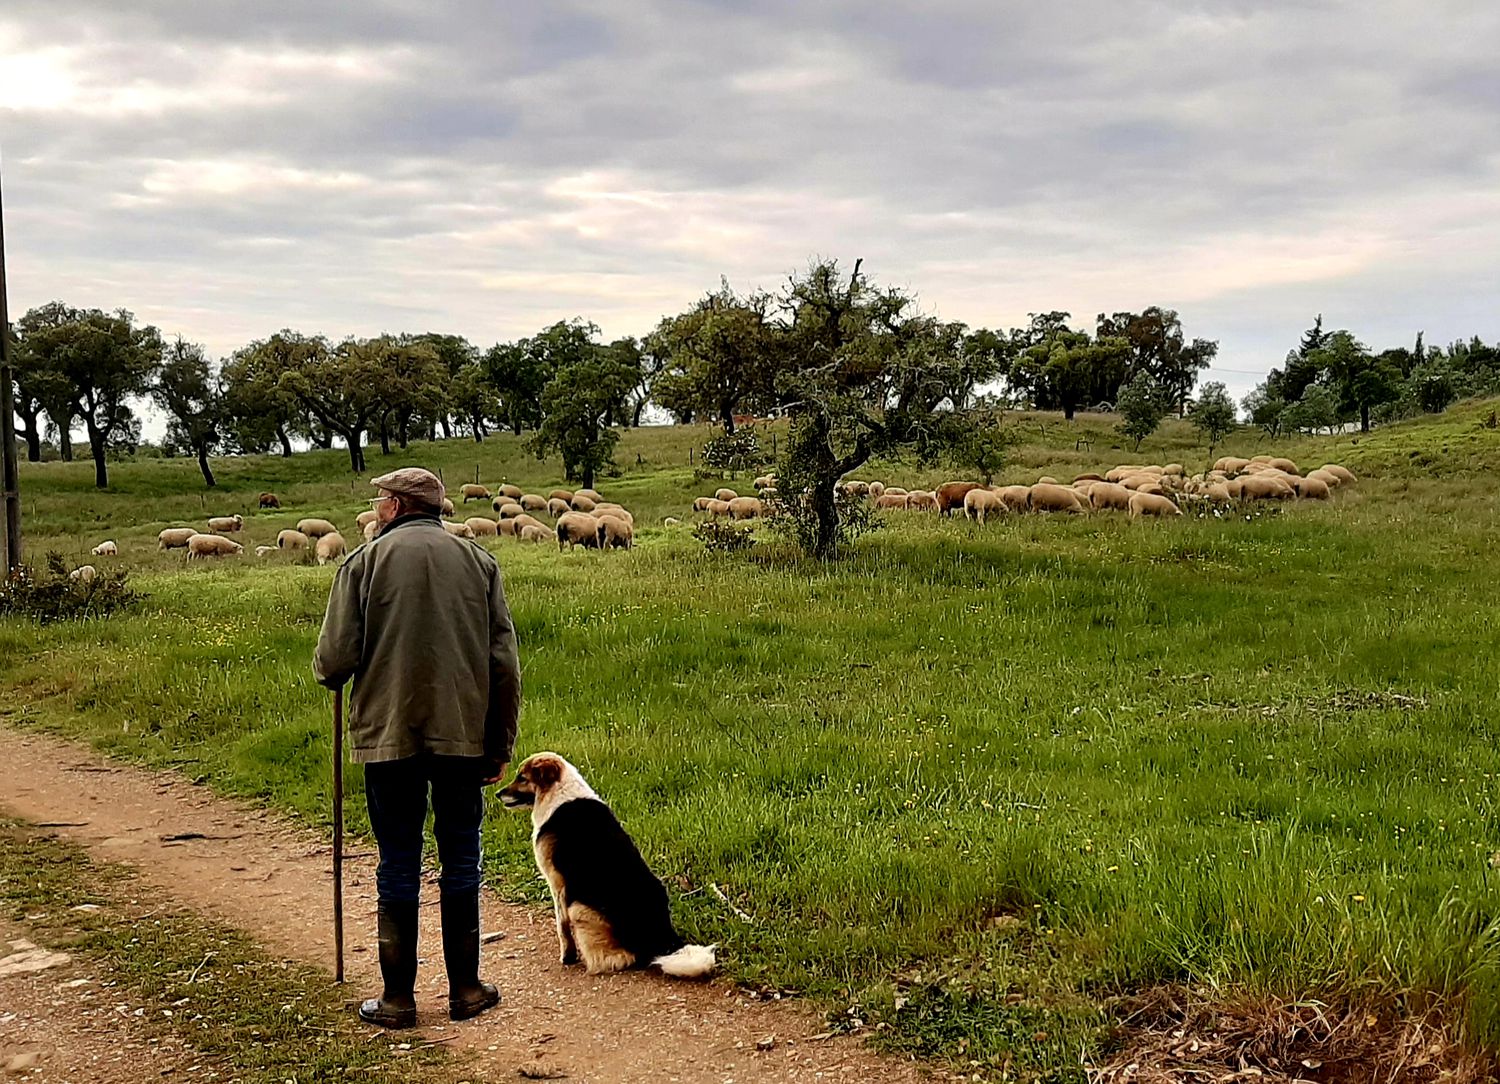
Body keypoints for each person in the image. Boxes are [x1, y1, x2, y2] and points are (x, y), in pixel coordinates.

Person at [313, 467, 522, 1028]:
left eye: (381, 499)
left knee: (398, 860)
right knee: (460, 857)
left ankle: (398, 1000)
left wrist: (333, 670)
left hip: (388, 739)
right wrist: (498, 742)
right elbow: (503, 664)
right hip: (462, 738)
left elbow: (333, 664)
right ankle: (467, 990)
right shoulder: (480, 563)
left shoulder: (362, 564)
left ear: (399, 506)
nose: (377, 506)